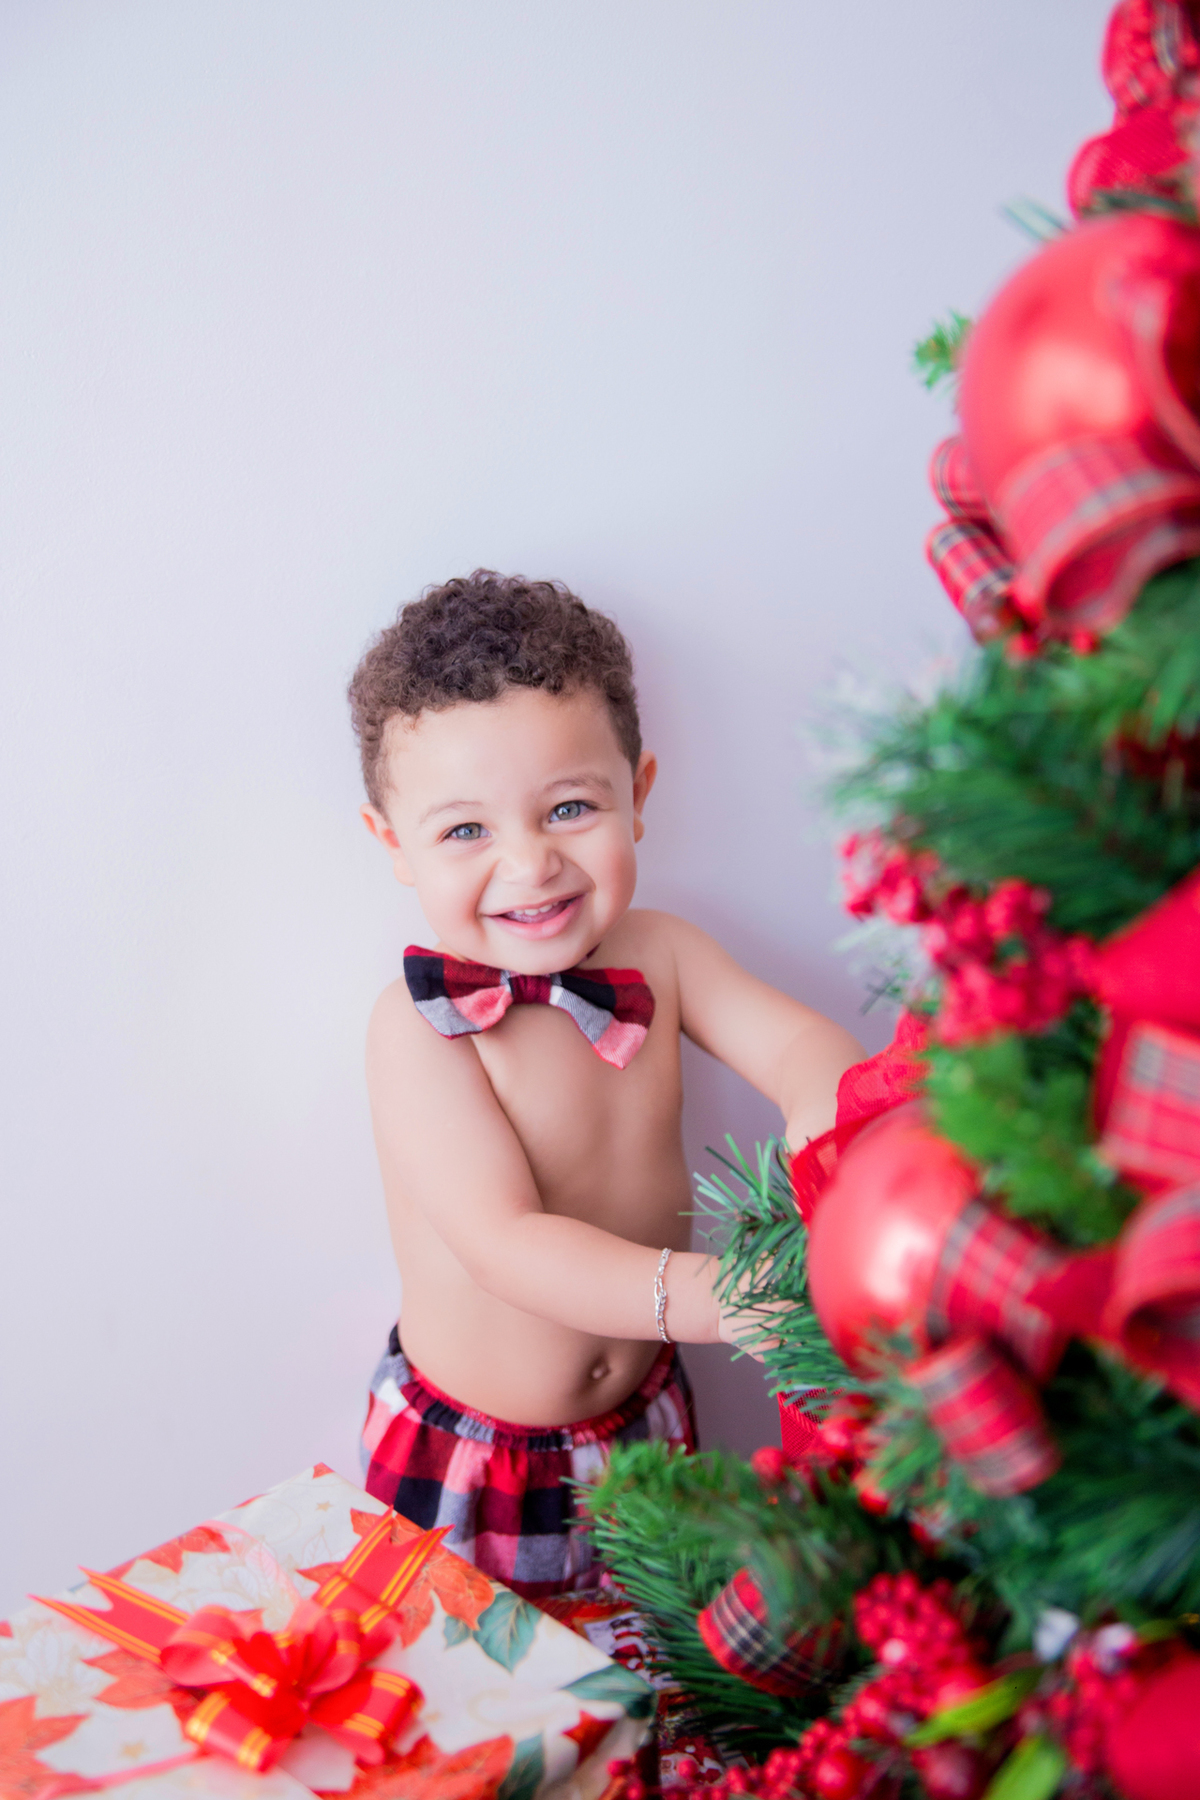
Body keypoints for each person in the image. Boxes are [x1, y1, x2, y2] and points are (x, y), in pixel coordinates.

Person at [348, 570, 863, 1598]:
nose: (530, 865)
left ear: (641, 794)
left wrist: (829, 1142)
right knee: (492, 1726)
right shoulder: (422, 1031)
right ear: (392, 845)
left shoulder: (663, 956)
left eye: (570, 807)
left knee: (672, 1695)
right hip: (480, 1463)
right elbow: (507, 1247)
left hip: (651, 1420)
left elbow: (809, 1050)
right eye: (465, 830)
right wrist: (736, 1300)